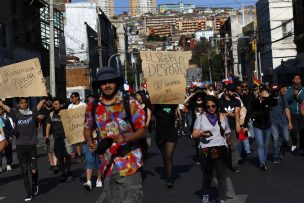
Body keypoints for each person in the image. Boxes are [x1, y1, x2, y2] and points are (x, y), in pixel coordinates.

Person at [84, 66, 146, 203]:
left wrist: (126, 137)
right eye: (103, 82)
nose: (107, 85)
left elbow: (142, 130)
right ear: (99, 85)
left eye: (110, 81)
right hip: (107, 164)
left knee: (131, 200)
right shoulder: (92, 106)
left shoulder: (130, 103)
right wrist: (90, 141)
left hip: (129, 162)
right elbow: (87, 128)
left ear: (116, 82)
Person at [0, 97, 45, 201]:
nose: (24, 104)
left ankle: (34, 185)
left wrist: (43, 94)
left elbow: (41, 102)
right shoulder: (15, 113)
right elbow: (3, 105)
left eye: (25, 102)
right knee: (24, 171)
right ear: (18, 105)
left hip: (31, 145)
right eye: (22, 103)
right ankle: (28, 193)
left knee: (33, 170)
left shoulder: (32, 112)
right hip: (20, 146)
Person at [192, 95, 231, 203]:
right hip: (205, 150)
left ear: (217, 106)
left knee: (221, 175)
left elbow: (228, 133)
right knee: (207, 175)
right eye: (208, 107)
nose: (211, 108)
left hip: (220, 148)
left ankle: (222, 198)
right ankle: (205, 194)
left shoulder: (223, 117)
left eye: (213, 106)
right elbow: (194, 134)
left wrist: (230, 147)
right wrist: (201, 134)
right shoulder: (200, 117)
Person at [45, 98, 73, 182]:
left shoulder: (66, 113)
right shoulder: (51, 114)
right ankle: (62, 173)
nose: (54, 105)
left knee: (67, 156)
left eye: (56, 104)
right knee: (60, 157)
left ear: (61, 105)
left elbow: (72, 124)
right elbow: (48, 125)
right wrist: (47, 137)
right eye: (54, 104)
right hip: (57, 138)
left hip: (66, 138)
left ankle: (68, 171)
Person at [252, 87, 277, 170]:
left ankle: (264, 161)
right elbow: (256, 110)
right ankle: (262, 162)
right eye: (263, 92)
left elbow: (274, 103)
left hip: (267, 125)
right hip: (257, 126)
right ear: (259, 93)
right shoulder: (255, 101)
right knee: (260, 144)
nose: (265, 93)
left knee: (266, 145)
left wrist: (268, 97)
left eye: (267, 92)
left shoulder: (268, 100)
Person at [154, 104, 179, 188]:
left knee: (169, 156)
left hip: (171, 133)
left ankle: (169, 179)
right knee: (165, 157)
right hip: (160, 135)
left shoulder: (173, 105)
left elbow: (180, 98)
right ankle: (167, 171)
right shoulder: (156, 106)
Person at [218, 84, 241, 173]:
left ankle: (235, 165)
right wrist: (227, 114)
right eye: (231, 90)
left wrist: (237, 124)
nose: (233, 92)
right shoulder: (220, 101)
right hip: (221, 127)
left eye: (234, 90)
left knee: (234, 146)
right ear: (226, 91)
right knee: (222, 147)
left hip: (231, 126)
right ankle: (220, 163)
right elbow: (216, 113)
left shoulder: (236, 101)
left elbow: (237, 114)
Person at [269, 84, 292, 162]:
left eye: (277, 91)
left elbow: (286, 109)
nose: (275, 92)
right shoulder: (269, 98)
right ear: (272, 91)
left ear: (279, 90)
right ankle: (276, 156)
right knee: (275, 139)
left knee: (286, 139)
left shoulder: (282, 97)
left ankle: (282, 150)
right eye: (274, 91)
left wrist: (290, 122)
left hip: (283, 121)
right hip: (273, 122)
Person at [38, 97, 58, 173]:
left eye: (50, 101)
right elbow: (38, 120)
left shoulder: (54, 110)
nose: (49, 102)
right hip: (45, 134)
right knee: (49, 150)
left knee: (54, 149)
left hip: (54, 132)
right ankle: (52, 164)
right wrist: (39, 118)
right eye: (47, 101)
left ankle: (55, 165)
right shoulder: (42, 110)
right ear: (45, 102)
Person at [285, 74, 304, 155]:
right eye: (295, 78)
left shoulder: (303, 89)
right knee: (294, 130)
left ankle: (302, 147)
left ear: (300, 80)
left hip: (302, 113)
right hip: (292, 113)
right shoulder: (289, 89)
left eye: (298, 78)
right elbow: (287, 99)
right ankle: (294, 144)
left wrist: (298, 96)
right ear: (293, 80)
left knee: (302, 131)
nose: (297, 80)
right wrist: (293, 95)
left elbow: (303, 100)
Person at [68, 92, 86, 161]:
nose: (71, 99)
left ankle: (85, 153)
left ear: (77, 97)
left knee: (84, 140)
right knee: (77, 141)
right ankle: (79, 155)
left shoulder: (83, 105)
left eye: (72, 97)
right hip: (75, 125)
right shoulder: (70, 106)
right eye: (71, 97)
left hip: (83, 125)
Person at [0, 105, 14, 172]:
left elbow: (12, 127)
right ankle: (0, 166)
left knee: (8, 151)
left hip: (7, 137)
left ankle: (9, 163)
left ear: (3, 109)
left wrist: (11, 136)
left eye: (0, 109)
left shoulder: (8, 118)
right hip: (0, 138)